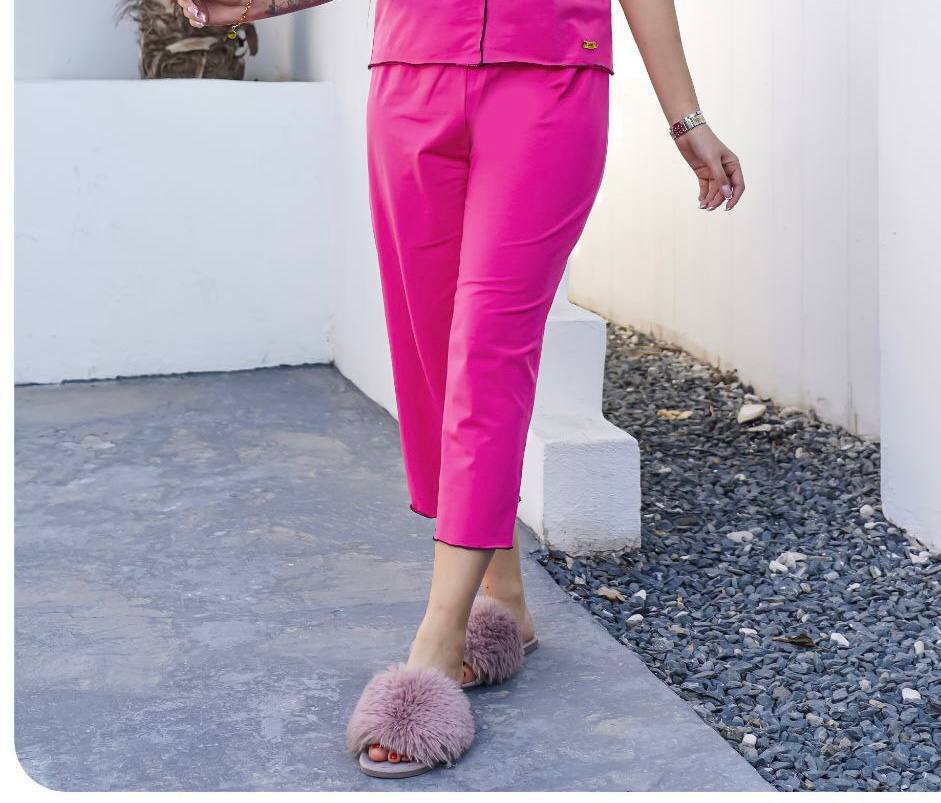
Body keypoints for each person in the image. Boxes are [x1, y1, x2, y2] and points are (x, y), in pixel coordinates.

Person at [179, 0, 744, 779]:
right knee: (433, 353)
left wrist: (687, 120)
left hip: (547, 74)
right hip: (410, 71)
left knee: (487, 347)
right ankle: (503, 601)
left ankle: (436, 646)